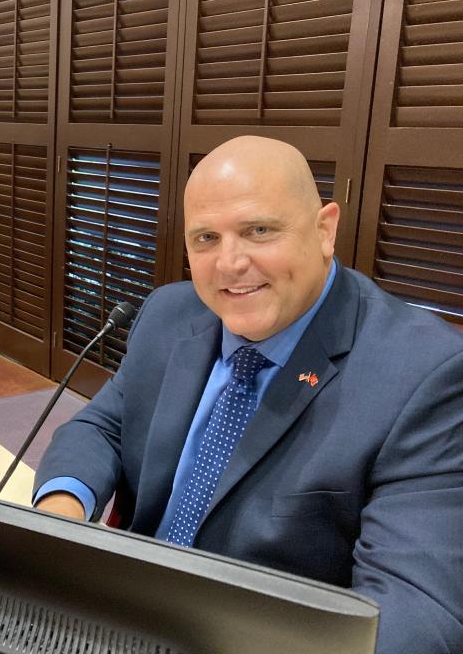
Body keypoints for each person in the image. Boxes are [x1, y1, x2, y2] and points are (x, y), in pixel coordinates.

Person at [34, 135, 463, 654]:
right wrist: (60, 513)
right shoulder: (170, 315)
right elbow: (102, 426)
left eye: (259, 230)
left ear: (325, 230)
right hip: (123, 613)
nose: (230, 263)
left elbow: (417, 613)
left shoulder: (424, 375)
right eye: (206, 238)